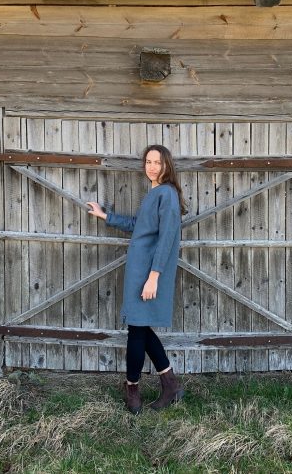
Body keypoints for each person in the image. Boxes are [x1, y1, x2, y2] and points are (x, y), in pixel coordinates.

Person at [87, 145, 187, 414]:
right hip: (139, 270)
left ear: (167, 165)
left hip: (148, 272)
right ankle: (170, 384)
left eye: (157, 162)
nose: (152, 166)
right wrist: (105, 215)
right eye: (148, 161)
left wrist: (153, 277)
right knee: (139, 327)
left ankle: (132, 389)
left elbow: (167, 239)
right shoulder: (155, 193)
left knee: (136, 330)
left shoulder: (167, 194)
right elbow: (138, 226)